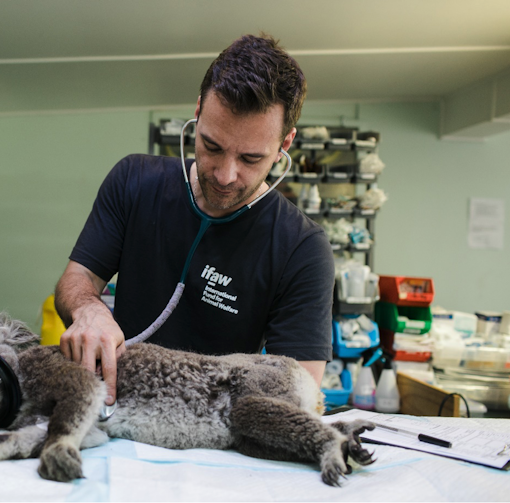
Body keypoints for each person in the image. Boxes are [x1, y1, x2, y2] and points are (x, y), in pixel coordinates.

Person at [54, 34, 334, 407]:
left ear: (285, 144)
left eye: (250, 158)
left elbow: (299, 391)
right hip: (117, 407)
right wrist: (88, 310)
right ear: (199, 110)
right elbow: (76, 280)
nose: (224, 175)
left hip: (219, 430)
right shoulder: (134, 180)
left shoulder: (302, 248)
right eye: (212, 146)